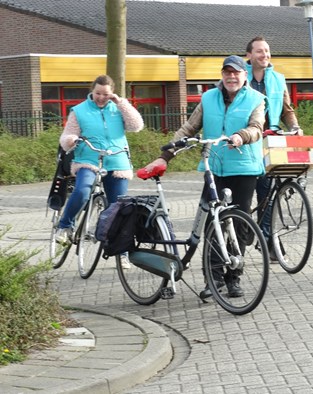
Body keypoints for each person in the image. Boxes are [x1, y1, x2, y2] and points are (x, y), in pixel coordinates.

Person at [143, 55, 267, 298]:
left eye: (236, 72)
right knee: (213, 224)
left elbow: (257, 127)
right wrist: (165, 155)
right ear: (222, 75)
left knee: (238, 224)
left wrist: (241, 136)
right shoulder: (208, 98)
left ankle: (234, 278)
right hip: (214, 169)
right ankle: (214, 279)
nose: (231, 77)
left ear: (245, 75)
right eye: (227, 72)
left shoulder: (256, 99)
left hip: (243, 168)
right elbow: (189, 128)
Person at [55, 75, 144, 269]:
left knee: (118, 208)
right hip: (88, 159)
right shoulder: (79, 110)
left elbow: (136, 126)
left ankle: (121, 252)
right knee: (82, 191)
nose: (101, 97)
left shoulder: (118, 108)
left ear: (112, 92)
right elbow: (67, 136)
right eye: (97, 93)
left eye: (105, 94)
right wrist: (72, 140)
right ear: (91, 91)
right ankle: (65, 225)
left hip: (117, 161)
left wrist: (121, 103)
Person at [245, 36, 303, 261]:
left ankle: (268, 240)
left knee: (268, 193)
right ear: (249, 56)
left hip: (272, 140)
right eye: (259, 51)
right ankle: (246, 230)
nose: (265, 55)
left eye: (267, 51)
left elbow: (287, 109)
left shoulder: (278, 79)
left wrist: (295, 127)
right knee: (247, 192)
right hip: (248, 141)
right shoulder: (240, 77)